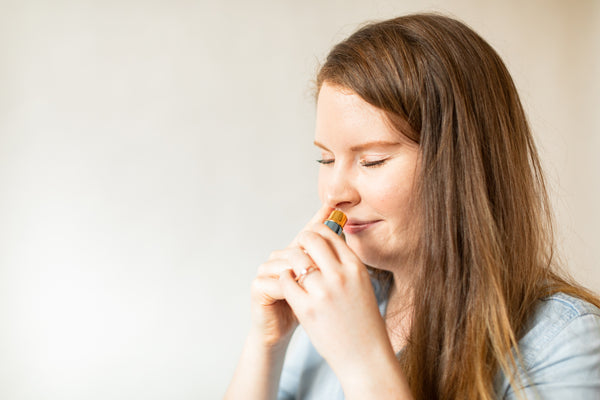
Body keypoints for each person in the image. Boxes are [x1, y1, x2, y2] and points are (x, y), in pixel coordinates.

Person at [224, 13, 600, 400]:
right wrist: (266, 344)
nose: (334, 192)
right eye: (326, 160)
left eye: (372, 160)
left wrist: (363, 361)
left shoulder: (564, 340)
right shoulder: (331, 304)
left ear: (461, 166)